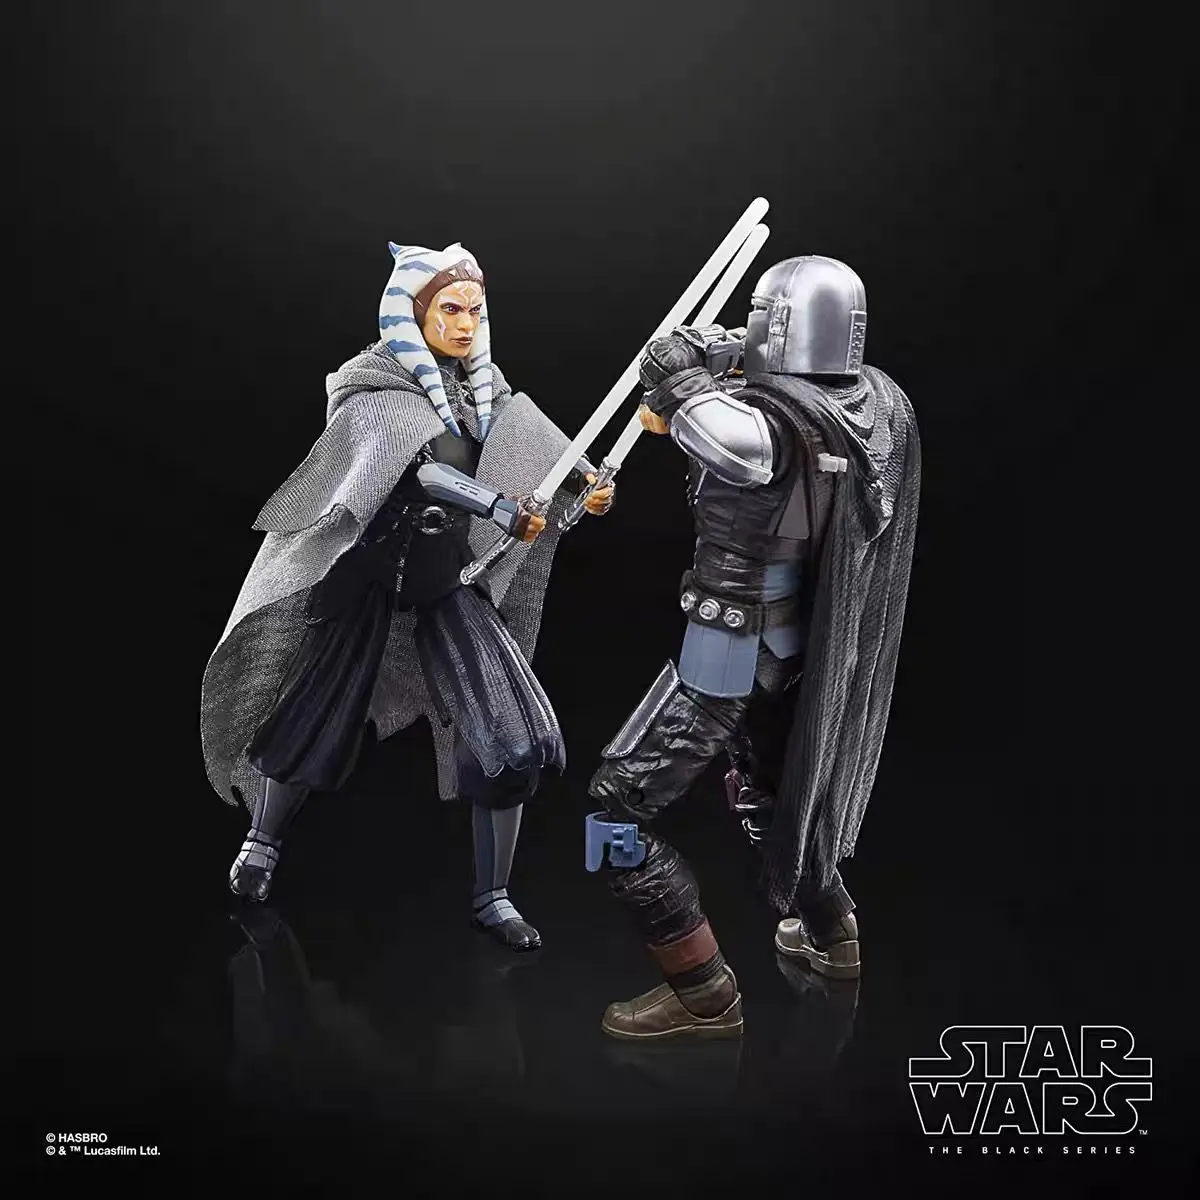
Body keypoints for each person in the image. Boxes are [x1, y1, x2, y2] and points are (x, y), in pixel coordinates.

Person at [201, 241, 613, 951]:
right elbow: (418, 471)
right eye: (450, 309)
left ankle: (494, 896)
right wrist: (496, 506)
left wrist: (587, 487)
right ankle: (262, 842)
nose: (465, 325)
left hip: (444, 578)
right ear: (412, 313)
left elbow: (550, 457)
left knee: (510, 736)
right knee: (309, 716)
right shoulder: (375, 389)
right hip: (368, 575)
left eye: (475, 311)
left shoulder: (486, 394)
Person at [584, 255, 919, 1037]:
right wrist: (714, 357)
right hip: (798, 647)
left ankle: (700, 992)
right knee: (772, 792)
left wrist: (677, 370)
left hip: (728, 647)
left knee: (614, 814)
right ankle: (833, 935)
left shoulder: (774, 424)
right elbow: (716, 408)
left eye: (762, 319)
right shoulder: (872, 405)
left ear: (783, 323)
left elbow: (733, 444)